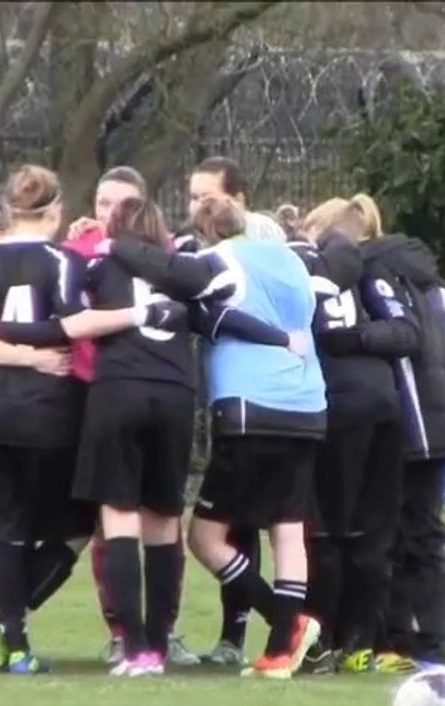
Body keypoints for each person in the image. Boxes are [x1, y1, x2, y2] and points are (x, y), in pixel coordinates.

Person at [0, 164, 178, 674]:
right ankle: (13, 621)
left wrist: (7, 346)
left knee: (4, 529)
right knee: (77, 524)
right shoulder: (65, 262)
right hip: (50, 412)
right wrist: (36, 357)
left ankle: (14, 641)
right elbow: (72, 326)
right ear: (55, 211)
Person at [106, 195, 325, 679]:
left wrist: (115, 243)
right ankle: (279, 652)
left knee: (206, 536)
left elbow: (167, 272)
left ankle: (284, 623)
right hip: (308, 402)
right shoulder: (290, 258)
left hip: (251, 404)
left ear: (205, 233)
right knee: (288, 528)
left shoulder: (221, 261)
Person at [68, 167, 202, 669]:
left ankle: (135, 645)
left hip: (118, 389)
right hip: (174, 394)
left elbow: (71, 318)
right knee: (164, 520)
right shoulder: (182, 266)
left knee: (119, 516)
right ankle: (162, 644)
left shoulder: (98, 266)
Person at [285, 197, 421, 676]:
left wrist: (346, 342)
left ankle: (330, 640)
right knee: (374, 530)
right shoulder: (368, 271)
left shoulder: (305, 270)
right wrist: (365, 338)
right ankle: (364, 640)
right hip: (383, 403)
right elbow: (406, 331)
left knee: (330, 530)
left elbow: (405, 331)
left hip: (338, 407)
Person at [356, 194, 445, 673]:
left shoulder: (372, 275)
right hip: (439, 421)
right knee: (424, 535)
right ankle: (430, 647)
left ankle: (403, 642)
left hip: (406, 424)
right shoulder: (428, 280)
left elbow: (401, 336)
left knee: (394, 535)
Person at [181, 156, 283, 667]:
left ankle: (250, 633)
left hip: (247, 401)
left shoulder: (261, 246)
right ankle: (238, 636)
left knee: (233, 523)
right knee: (214, 524)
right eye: (192, 196)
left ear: (237, 200)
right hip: (204, 400)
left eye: (207, 197)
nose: (196, 206)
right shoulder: (192, 248)